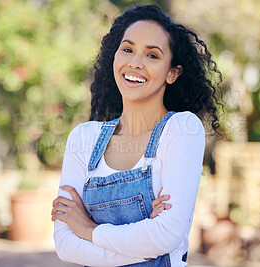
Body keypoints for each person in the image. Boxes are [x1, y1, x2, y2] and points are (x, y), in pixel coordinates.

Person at [51, 5, 221, 267]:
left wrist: (87, 230)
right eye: (127, 49)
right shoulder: (83, 138)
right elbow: (65, 245)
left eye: (152, 55)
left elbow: (166, 235)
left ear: (172, 73)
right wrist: (143, 242)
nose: (135, 63)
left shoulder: (181, 129)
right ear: (114, 56)